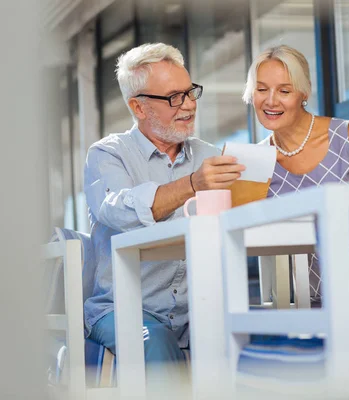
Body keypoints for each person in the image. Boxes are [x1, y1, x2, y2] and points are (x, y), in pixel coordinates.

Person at [84, 43, 245, 372]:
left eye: (190, 93)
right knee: (158, 343)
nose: (188, 106)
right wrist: (191, 185)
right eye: (174, 97)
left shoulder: (210, 154)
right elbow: (116, 210)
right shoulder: (107, 155)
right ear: (139, 108)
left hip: (197, 308)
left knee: (240, 336)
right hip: (124, 308)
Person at [243, 45, 349, 304]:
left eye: (284, 91)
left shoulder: (346, 137)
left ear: (304, 92)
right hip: (299, 305)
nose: (271, 100)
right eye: (261, 89)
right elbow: (243, 234)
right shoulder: (254, 161)